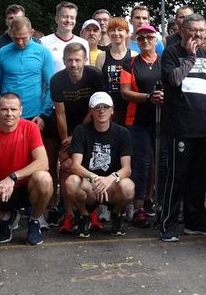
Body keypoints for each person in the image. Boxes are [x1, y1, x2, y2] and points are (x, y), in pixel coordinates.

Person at [159, 13, 206, 241]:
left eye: (201, 31)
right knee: (177, 177)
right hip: (180, 126)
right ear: (182, 31)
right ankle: (168, 223)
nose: (197, 35)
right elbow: (174, 79)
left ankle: (195, 221)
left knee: (200, 177)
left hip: (204, 126)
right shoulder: (172, 53)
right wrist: (191, 57)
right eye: (192, 30)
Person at [0, 93, 52, 246]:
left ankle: (34, 221)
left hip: (27, 187)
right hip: (1, 189)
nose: (9, 114)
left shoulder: (31, 127)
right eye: (4, 109)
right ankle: (7, 217)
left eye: (13, 109)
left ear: (21, 111)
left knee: (44, 178)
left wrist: (12, 177)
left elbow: (43, 163)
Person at [63, 92, 135, 237]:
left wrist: (109, 179)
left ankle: (116, 214)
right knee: (71, 182)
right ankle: (84, 216)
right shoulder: (81, 131)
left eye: (105, 107)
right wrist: (94, 178)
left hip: (112, 186)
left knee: (128, 186)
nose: (101, 110)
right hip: (90, 185)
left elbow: (127, 169)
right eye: (97, 107)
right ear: (90, 110)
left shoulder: (123, 133)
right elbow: (75, 166)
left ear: (112, 110)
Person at [119, 24, 165, 227]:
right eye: (141, 38)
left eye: (149, 37)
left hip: (163, 120)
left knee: (160, 163)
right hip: (137, 120)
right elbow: (125, 92)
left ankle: (153, 201)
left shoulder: (164, 62)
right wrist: (148, 97)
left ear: (156, 39)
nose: (145, 41)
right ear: (136, 41)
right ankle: (138, 206)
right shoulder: (129, 64)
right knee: (142, 163)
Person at [51, 42, 106, 183]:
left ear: (85, 60)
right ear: (64, 61)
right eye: (69, 60)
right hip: (66, 122)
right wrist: (65, 143)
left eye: (77, 60)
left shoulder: (95, 75)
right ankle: (63, 201)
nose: (73, 64)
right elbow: (60, 114)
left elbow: (95, 108)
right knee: (66, 163)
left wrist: (76, 135)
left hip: (89, 120)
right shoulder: (57, 80)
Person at [0, 15, 55, 128]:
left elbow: (51, 86)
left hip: (34, 115)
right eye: (16, 38)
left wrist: (44, 115)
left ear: (32, 33)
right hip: (8, 114)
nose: (20, 42)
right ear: (9, 32)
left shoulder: (43, 53)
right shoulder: (1, 53)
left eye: (24, 38)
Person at [39, 2, 89, 71]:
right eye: (65, 16)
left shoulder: (83, 43)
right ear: (56, 19)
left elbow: (86, 71)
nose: (69, 20)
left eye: (72, 18)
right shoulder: (44, 42)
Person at [97, 16, 133, 99]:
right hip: (108, 107)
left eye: (120, 30)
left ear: (127, 33)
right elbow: (98, 84)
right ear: (108, 33)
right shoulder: (102, 57)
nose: (116, 33)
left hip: (129, 105)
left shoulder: (133, 55)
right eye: (112, 30)